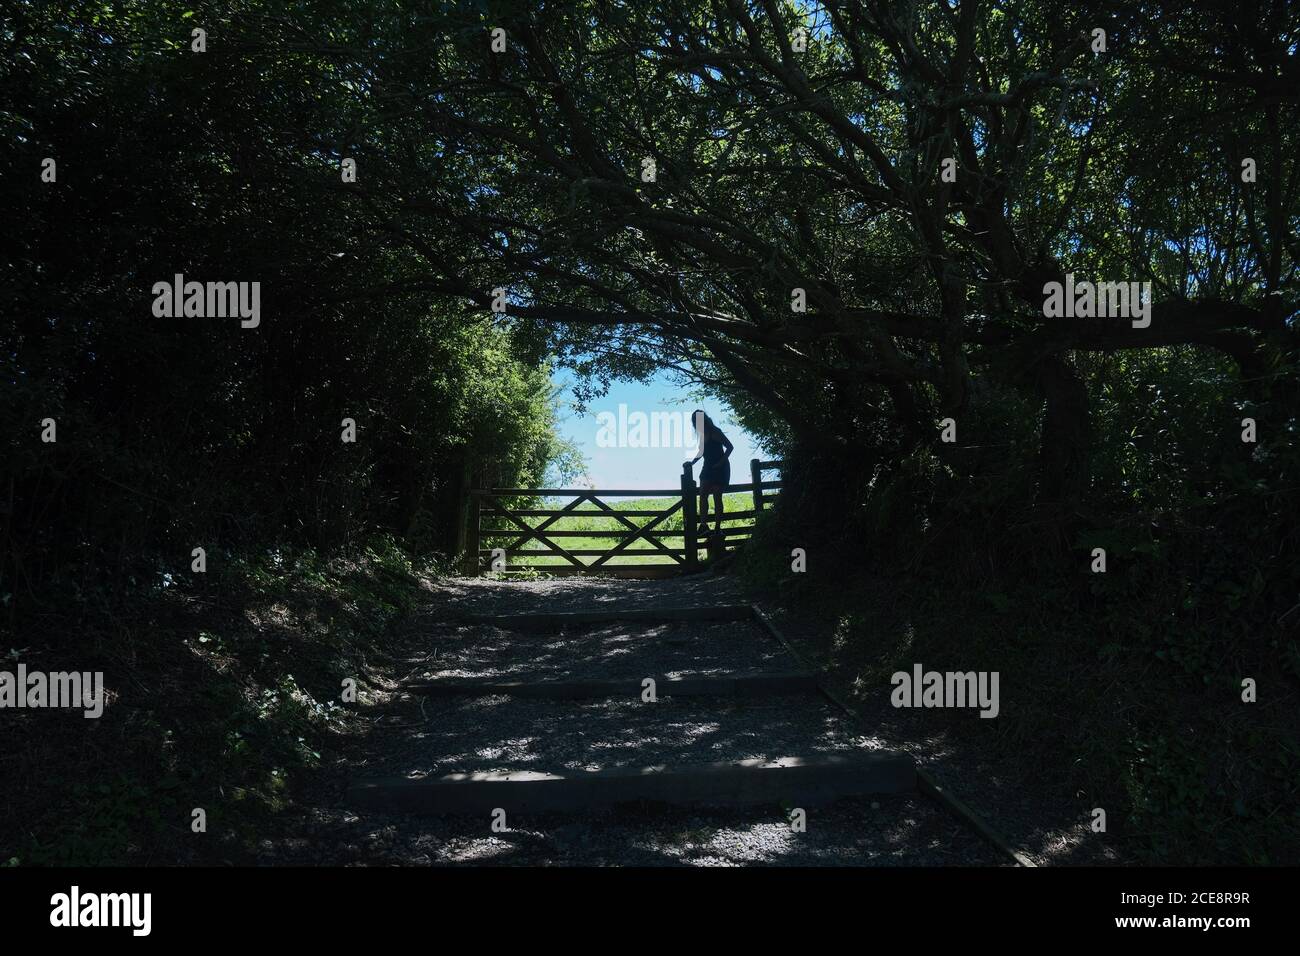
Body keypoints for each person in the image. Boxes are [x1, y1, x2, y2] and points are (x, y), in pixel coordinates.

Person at [687, 410, 733, 537]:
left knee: (717, 497)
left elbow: (730, 447)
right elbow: (701, 452)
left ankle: (718, 528)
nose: (696, 423)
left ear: (704, 419)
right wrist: (691, 463)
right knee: (702, 495)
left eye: (698, 420)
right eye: (694, 421)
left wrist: (720, 463)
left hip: (720, 467)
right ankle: (703, 525)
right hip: (707, 467)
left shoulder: (715, 431)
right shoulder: (702, 435)